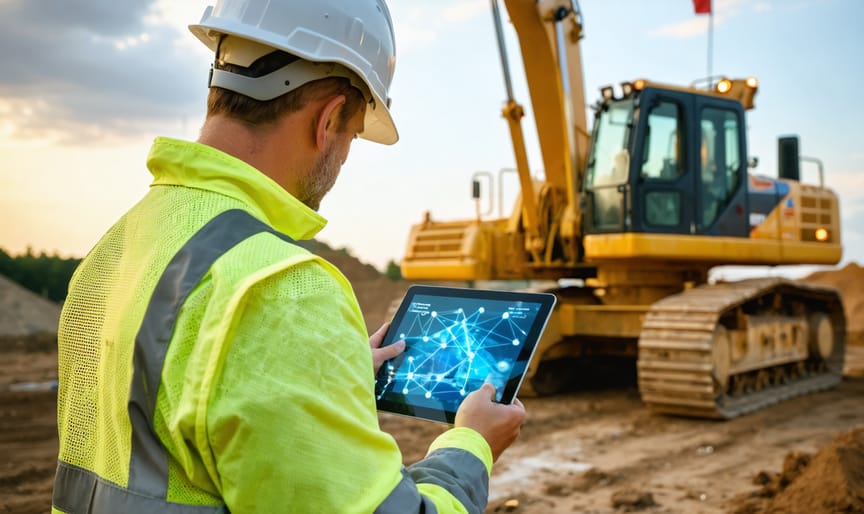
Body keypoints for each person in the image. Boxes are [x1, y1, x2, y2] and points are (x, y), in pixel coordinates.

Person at [51, 1, 526, 513]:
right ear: (327, 121)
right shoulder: (283, 292)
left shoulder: (119, 245)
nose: (344, 157)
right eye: (351, 136)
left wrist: (319, 379)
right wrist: (471, 445)